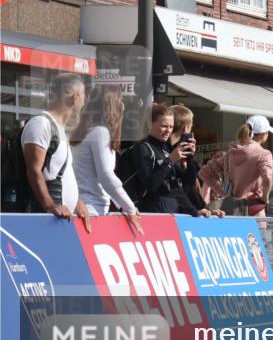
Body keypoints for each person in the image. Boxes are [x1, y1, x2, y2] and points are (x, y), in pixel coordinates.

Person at [20, 73, 91, 229]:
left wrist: (76, 200)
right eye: (84, 96)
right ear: (76, 96)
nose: (84, 102)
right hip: (45, 220)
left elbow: (59, 172)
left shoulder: (59, 129)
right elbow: (33, 171)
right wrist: (50, 206)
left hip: (60, 219)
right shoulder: (41, 124)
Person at [71, 84, 141, 232]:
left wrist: (123, 204)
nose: (123, 105)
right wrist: (130, 207)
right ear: (112, 104)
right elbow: (106, 176)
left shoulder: (86, 132)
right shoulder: (100, 132)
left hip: (87, 207)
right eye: (120, 100)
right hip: (91, 210)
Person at [199, 115, 273, 217]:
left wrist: (224, 193)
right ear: (263, 135)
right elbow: (267, 177)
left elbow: (204, 173)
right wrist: (265, 197)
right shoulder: (264, 154)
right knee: (256, 233)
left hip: (230, 208)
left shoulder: (230, 153)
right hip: (253, 209)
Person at [129, 103, 194, 214]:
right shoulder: (142, 148)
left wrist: (190, 158)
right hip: (151, 212)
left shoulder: (166, 148)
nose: (168, 131)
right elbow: (151, 185)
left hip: (172, 211)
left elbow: (186, 183)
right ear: (150, 124)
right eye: (164, 126)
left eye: (171, 127)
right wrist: (170, 160)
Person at [167, 104, 221, 218]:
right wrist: (194, 211)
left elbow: (189, 186)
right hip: (169, 214)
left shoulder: (183, 155)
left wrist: (205, 209)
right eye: (192, 127)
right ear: (185, 128)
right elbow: (176, 188)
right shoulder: (168, 152)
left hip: (179, 214)